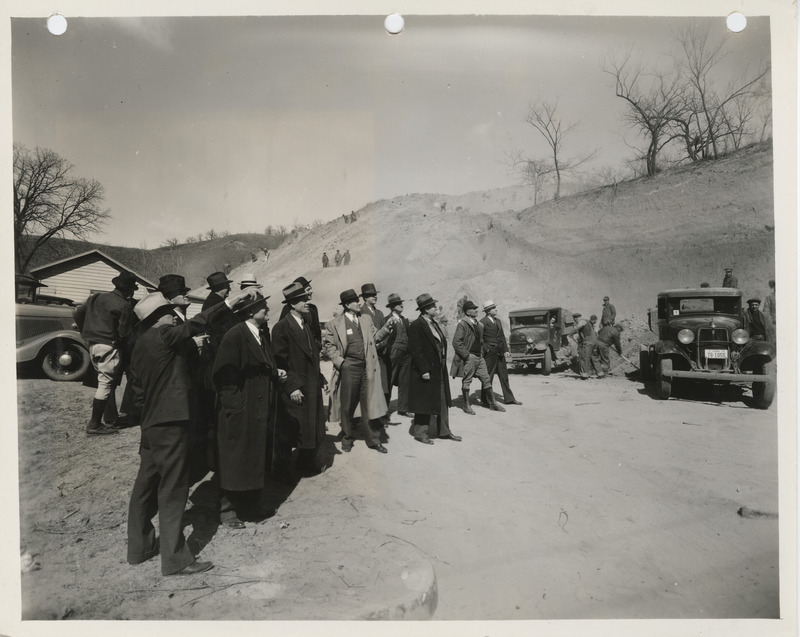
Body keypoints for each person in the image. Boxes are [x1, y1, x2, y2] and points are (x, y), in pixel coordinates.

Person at [126, 287, 255, 575]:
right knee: (173, 489)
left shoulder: (140, 344)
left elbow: (137, 392)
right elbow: (196, 323)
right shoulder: (163, 334)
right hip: (171, 425)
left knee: (144, 487)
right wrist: (229, 302)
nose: (173, 317)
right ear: (158, 317)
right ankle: (174, 559)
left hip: (151, 425)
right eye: (168, 314)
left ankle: (139, 547)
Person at [212, 291, 284, 528]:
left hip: (258, 408)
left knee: (253, 458)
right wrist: (237, 407)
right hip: (242, 410)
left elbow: (265, 365)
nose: (267, 309)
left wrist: (276, 372)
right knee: (234, 458)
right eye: (263, 306)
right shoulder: (235, 336)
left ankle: (250, 505)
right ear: (251, 312)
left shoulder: (260, 334)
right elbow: (224, 375)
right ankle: (228, 511)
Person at [271, 282, 328, 479]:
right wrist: (292, 387)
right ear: (292, 304)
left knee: (311, 427)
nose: (307, 302)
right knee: (289, 431)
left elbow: (313, 356)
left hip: (311, 385)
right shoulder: (281, 328)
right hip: (296, 388)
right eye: (303, 300)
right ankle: (282, 470)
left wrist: (321, 377)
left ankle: (305, 462)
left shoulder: (305, 324)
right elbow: (280, 362)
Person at [322, 289, 388, 454]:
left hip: (367, 368)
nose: (359, 304)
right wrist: (341, 362)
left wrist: (387, 329)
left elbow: (376, 337)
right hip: (349, 367)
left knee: (369, 403)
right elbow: (328, 346)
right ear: (346, 305)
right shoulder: (334, 324)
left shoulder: (365, 319)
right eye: (355, 302)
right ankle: (347, 437)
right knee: (347, 404)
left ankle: (373, 440)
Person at [75, 271, 138, 435]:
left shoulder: (96, 298)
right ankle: (94, 424)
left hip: (92, 345)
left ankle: (101, 421)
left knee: (102, 383)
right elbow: (125, 333)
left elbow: (78, 313)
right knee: (106, 385)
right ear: (129, 290)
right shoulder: (124, 305)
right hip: (109, 345)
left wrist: (85, 332)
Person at [407, 293, 461, 444]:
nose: (436, 308)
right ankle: (420, 433)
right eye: (432, 306)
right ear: (425, 309)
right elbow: (415, 350)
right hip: (425, 371)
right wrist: (424, 370)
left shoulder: (434, 323)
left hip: (439, 369)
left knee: (443, 401)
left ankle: (444, 431)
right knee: (424, 401)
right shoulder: (416, 325)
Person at [450, 300, 505, 414]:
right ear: (468, 312)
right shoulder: (463, 324)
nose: (476, 310)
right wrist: (466, 356)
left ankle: (493, 403)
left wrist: (484, 350)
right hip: (470, 357)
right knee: (467, 380)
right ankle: (466, 406)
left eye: (476, 308)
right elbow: (456, 342)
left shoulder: (479, 325)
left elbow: (481, 340)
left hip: (480, 357)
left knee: (486, 378)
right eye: (474, 309)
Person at [360, 283, 393, 423]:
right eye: (371, 295)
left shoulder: (379, 313)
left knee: (382, 384)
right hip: (368, 354)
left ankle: (380, 413)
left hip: (381, 353)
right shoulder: (361, 312)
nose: (374, 297)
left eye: (375, 295)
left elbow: (384, 332)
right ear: (364, 298)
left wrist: (382, 344)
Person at [375, 293, 412, 417]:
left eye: (401, 303)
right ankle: (384, 410)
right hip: (392, 355)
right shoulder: (387, 320)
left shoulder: (404, 320)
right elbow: (384, 339)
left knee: (404, 382)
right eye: (397, 304)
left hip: (406, 355)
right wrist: (389, 352)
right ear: (392, 307)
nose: (401, 305)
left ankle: (403, 408)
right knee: (388, 382)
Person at [480, 300, 521, 406]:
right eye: (494, 308)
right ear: (488, 311)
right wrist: (486, 349)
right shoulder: (482, 322)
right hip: (490, 354)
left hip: (500, 353)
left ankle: (509, 399)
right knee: (488, 376)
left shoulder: (498, 321)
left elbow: (502, 337)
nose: (496, 309)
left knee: (504, 375)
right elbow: (479, 339)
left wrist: (507, 351)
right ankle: (485, 400)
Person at [278, 276, 322, 348]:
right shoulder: (287, 308)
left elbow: (317, 331)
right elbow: (283, 331)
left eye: (311, 289)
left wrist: (318, 347)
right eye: (308, 289)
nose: (311, 291)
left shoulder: (313, 308)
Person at [577, 314, 604, 379]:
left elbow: (577, 328)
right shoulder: (591, 326)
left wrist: (571, 333)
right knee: (595, 358)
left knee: (585, 358)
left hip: (588, 343)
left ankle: (584, 375)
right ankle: (600, 374)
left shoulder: (584, 322)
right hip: (595, 343)